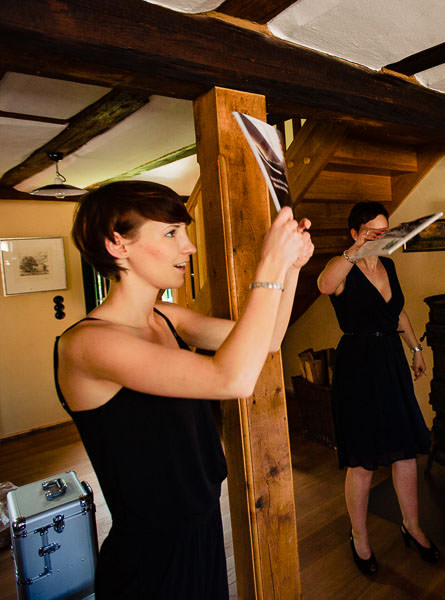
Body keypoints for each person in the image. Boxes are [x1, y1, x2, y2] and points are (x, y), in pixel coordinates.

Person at [54, 181, 313, 598]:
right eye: (171, 233)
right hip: (151, 558)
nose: (188, 247)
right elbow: (232, 379)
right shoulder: (88, 344)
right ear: (117, 244)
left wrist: (291, 268)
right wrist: (268, 266)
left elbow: (268, 341)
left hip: (203, 530)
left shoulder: (167, 317)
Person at [317, 201, 437, 575]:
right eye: (372, 232)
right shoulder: (342, 267)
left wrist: (415, 349)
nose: (380, 238)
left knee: (405, 452)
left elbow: (397, 312)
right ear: (355, 233)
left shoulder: (389, 265)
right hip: (358, 366)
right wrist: (355, 251)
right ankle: (359, 536)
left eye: (384, 232)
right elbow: (324, 285)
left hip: (391, 362)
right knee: (363, 460)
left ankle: (412, 525)